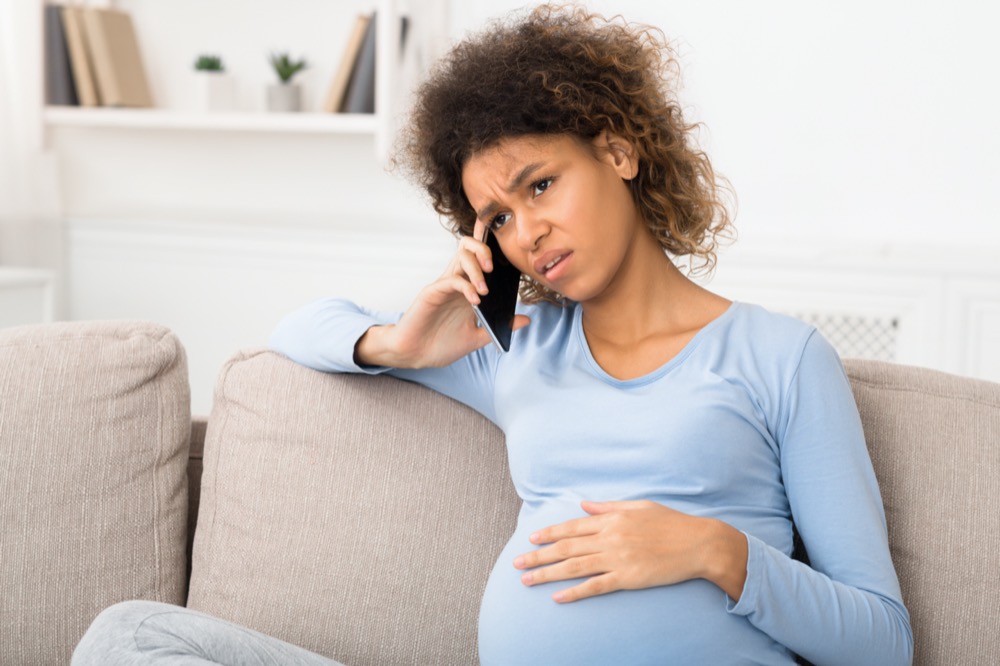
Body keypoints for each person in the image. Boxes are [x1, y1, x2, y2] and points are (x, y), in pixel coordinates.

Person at [73, 4, 913, 665]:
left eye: (542, 184)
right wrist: (400, 344)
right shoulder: (516, 351)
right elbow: (301, 327)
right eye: (500, 217)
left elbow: (883, 640)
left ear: (618, 151)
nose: (528, 232)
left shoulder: (780, 358)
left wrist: (716, 551)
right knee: (131, 638)